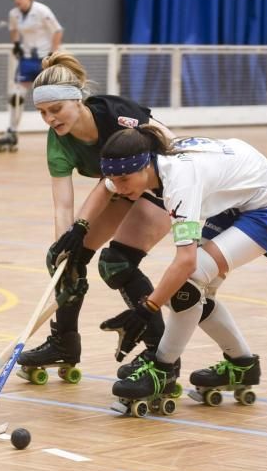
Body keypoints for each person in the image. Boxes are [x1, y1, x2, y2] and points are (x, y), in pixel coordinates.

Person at [96, 127, 267, 411]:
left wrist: (146, 309)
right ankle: (242, 365)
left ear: (145, 165)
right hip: (237, 195)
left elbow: (186, 262)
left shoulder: (180, 182)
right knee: (195, 295)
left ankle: (162, 370)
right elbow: (104, 190)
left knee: (188, 283)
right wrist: (76, 234)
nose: (119, 187)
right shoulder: (140, 165)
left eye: (123, 180)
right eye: (113, 179)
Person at [16, 51, 174, 380]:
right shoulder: (58, 142)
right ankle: (64, 344)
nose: (50, 119)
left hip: (161, 184)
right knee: (64, 258)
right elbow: (62, 206)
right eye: (42, 113)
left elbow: (170, 143)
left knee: (117, 262)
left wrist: (188, 195)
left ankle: (160, 355)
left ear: (77, 100)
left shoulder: (116, 114)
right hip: (118, 188)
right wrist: (63, 250)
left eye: (56, 109)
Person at [0, 0, 63, 153]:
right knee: (16, 95)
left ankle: (64, 130)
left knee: (55, 96)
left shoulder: (41, 11)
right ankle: (12, 131)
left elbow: (57, 31)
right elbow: (13, 29)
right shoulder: (14, 14)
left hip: (44, 58)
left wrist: (53, 53)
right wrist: (16, 44)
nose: (17, 0)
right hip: (26, 59)